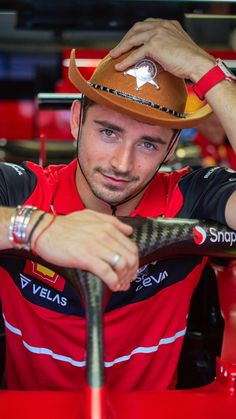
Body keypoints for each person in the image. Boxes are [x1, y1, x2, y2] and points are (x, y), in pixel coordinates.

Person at [0, 18, 235, 391]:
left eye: (148, 144)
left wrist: (206, 72)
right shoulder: (21, 189)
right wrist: (36, 228)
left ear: (171, 148)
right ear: (77, 121)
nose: (122, 164)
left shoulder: (193, 195)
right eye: (109, 132)